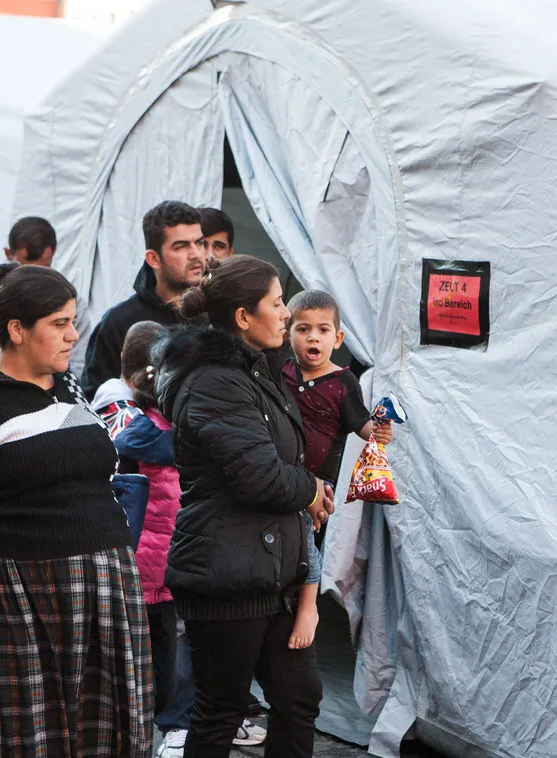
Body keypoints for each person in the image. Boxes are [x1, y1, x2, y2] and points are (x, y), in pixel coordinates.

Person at [0, 262, 152, 757]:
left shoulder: (68, 388)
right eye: (59, 323)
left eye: (73, 321)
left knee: (98, 730)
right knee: (18, 737)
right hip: (11, 594)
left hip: (101, 589)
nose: (73, 334)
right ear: (17, 330)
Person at [156, 254, 332, 758]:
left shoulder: (254, 372)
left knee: (299, 700)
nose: (285, 314)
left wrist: (307, 485)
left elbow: (279, 464)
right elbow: (260, 477)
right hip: (226, 575)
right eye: (277, 304)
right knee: (220, 714)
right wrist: (312, 489)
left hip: (272, 571)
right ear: (242, 318)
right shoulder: (215, 381)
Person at [110, 322, 267, 757]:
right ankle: (168, 725)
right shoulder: (172, 429)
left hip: (157, 562)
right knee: (167, 651)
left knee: (156, 649)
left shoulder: (147, 432)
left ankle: (158, 724)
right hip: (164, 561)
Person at [281, 291, 393, 649]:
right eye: (303, 329)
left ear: (338, 338)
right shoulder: (281, 372)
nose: (313, 337)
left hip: (318, 484)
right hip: (281, 473)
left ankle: (308, 607)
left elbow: (361, 425)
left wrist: (379, 431)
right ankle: (280, 600)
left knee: (304, 543)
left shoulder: (343, 383)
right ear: (288, 333)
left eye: (323, 330)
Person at [82, 201, 206, 397]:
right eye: (181, 246)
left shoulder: (218, 313)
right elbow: (97, 400)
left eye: (199, 243)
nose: (196, 254)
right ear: (153, 259)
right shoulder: (118, 323)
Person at [0, 217, 90, 346]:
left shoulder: (71, 303)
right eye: (23, 268)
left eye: (43, 269)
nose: (32, 278)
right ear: (8, 254)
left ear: (53, 252)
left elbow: (77, 364)